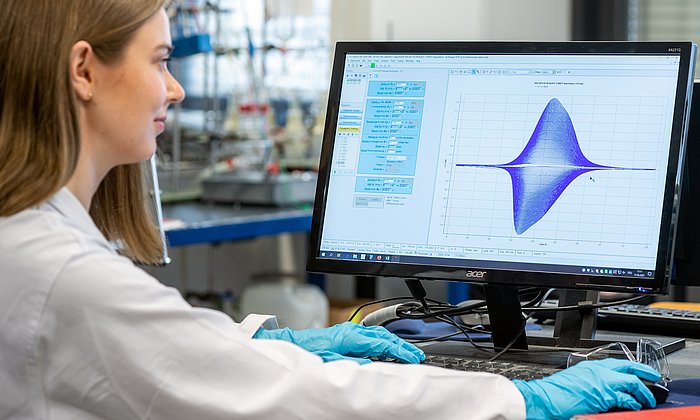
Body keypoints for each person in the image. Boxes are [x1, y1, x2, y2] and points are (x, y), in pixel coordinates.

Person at [0, 1, 663, 419]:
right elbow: (298, 403)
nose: (173, 87)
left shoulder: (33, 243)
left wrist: (266, 340)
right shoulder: (65, 276)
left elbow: (163, 352)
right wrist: (518, 399)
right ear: (84, 71)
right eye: (161, 60)